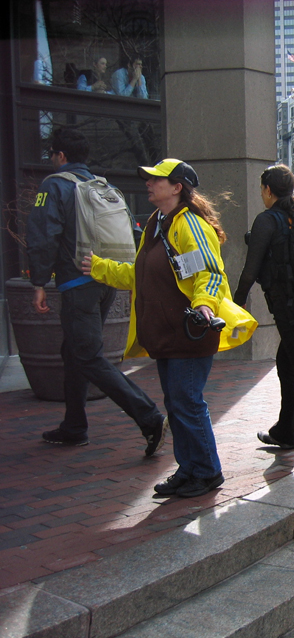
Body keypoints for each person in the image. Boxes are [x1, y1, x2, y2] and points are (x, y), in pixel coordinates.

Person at [85, 158, 232, 498]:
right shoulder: (157, 223)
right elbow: (139, 275)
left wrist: (205, 305)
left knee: (187, 402)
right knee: (177, 402)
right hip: (169, 334)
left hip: (190, 332)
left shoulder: (189, 225)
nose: (148, 183)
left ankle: (207, 472)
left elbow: (209, 273)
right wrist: (98, 268)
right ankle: (189, 468)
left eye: (156, 179)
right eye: (148, 178)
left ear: (177, 186)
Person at [25, 128, 166, 453]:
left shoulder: (55, 185)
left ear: (60, 156)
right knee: (73, 352)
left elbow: (43, 236)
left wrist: (38, 284)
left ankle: (149, 417)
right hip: (106, 283)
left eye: (52, 155)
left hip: (78, 284)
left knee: (87, 356)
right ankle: (74, 426)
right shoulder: (105, 187)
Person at [233, 164, 294, 450]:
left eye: (262, 190)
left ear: (268, 190)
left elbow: (250, 271)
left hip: (291, 310)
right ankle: (286, 431)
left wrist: (236, 302)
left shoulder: (268, 220)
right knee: (287, 366)